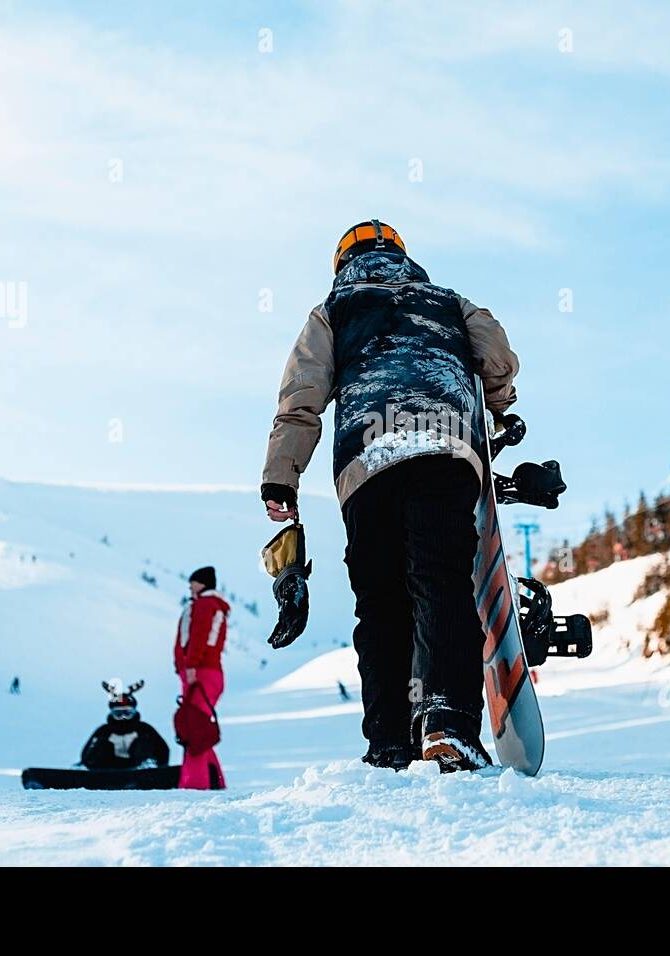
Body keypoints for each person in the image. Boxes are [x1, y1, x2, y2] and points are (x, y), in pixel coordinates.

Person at [260, 220, 519, 772]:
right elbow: (495, 352)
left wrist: (282, 476)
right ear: (402, 255)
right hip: (444, 447)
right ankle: (447, 723)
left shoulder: (334, 310)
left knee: (380, 601)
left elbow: (301, 396)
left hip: (366, 460)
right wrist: (499, 401)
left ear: (342, 264)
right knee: (440, 579)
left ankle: (389, 743)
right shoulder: (447, 301)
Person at [174, 566, 228, 789]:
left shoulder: (204, 605)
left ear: (202, 583)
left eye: (193, 582)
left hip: (201, 673)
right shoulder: (213, 605)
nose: (190, 586)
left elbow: (198, 636)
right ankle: (215, 783)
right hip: (207, 672)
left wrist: (191, 665)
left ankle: (195, 786)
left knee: (194, 732)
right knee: (197, 729)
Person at [80, 682, 170, 770]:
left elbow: (163, 748)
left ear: (134, 712)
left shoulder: (144, 729)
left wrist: (162, 766)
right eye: (118, 714)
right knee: (101, 743)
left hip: (137, 766)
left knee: (144, 740)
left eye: (127, 713)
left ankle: (147, 764)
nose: (123, 717)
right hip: (109, 767)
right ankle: (92, 769)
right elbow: (87, 751)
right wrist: (87, 762)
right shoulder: (104, 730)